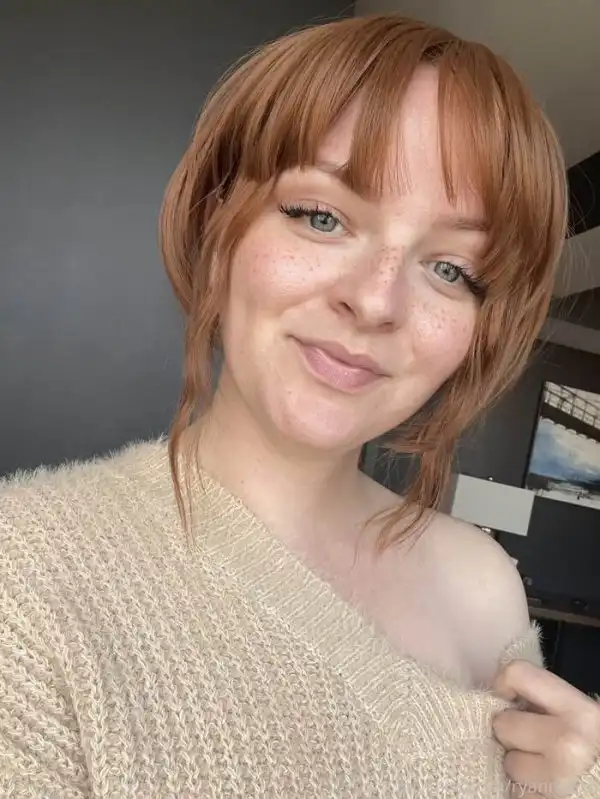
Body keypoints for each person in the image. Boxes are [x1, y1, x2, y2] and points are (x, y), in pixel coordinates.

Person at [1, 13, 599, 799]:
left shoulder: (485, 586)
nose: (375, 300)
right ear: (218, 218)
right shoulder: (27, 576)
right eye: (322, 217)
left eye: (451, 269)